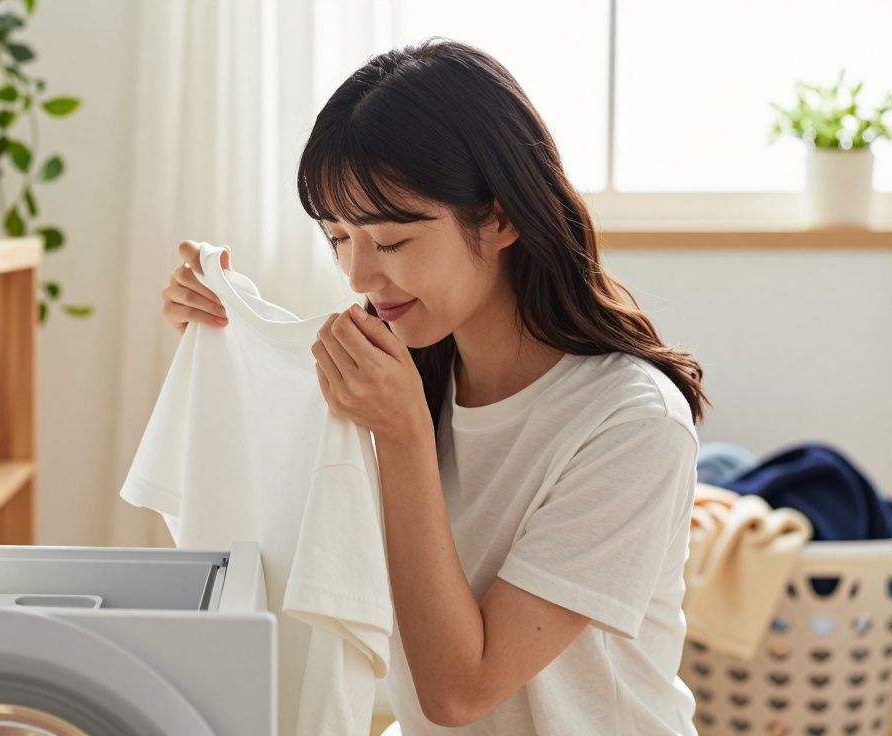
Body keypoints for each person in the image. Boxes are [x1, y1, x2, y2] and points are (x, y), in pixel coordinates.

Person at [161, 38, 707, 735]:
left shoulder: (631, 422)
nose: (358, 275)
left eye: (389, 242)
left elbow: (458, 693)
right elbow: (282, 515)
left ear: (502, 215)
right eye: (337, 238)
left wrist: (404, 435)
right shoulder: (402, 366)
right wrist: (224, 348)